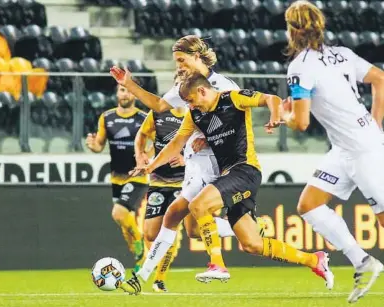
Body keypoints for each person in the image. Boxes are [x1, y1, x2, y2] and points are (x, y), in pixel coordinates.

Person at [121, 72, 335, 295]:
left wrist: (274, 116)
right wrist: (151, 166)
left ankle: (218, 264)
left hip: (245, 170)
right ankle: (314, 260)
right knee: (252, 244)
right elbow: (176, 143)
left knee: (198, 206)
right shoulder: (195, 115)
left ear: (203, 91)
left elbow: (270, 98)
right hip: (228, 175)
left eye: (192, 100)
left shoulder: (234, 98)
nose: (190, 106)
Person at [111, 36, 266, 289]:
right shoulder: (187, 85)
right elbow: (160, 105)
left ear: (196, 57)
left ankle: (142, 277)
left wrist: (206, 137)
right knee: (191, 229)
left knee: (176, 216)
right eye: (176, 62)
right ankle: (247, 228)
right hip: (195, 164)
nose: (178, 67)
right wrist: (129, 84)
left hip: (216, 164)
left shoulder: (222, 85)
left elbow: (236, 118)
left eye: (181, 61)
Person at [282, 1, 384, 304]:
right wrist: (375, 122)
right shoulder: (342, 53)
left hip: (364, 150)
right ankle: (363, 262)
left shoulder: (299, 67)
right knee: (310, 205)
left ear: (292, 30)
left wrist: (283, 116)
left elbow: (299, 122)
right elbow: (380, 78)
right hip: (345, 147)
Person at [86, 84, 148, 272]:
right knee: (123, 222)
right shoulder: (107, 117)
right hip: (116, 177)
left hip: (136, 176)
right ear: (117, 93)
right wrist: (92, 145)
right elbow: (99, 145)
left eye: (129, 90)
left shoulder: (144, 118)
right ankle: (140, 260)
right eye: (122, 90)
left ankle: (140, 244)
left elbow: (159, 142)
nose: (125, 93)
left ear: (135, 94)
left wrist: (148, 157)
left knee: (118, 213)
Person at [134, 88, 186, 292]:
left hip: (183, 182)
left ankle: (159, 278)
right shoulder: (158, 112)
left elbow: (206, 146)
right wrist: (140, 155)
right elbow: (142, 135)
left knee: (170, 227)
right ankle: (157, 270)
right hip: (157, 180)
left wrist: (184, 159)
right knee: (149, 233)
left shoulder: (196, 115)